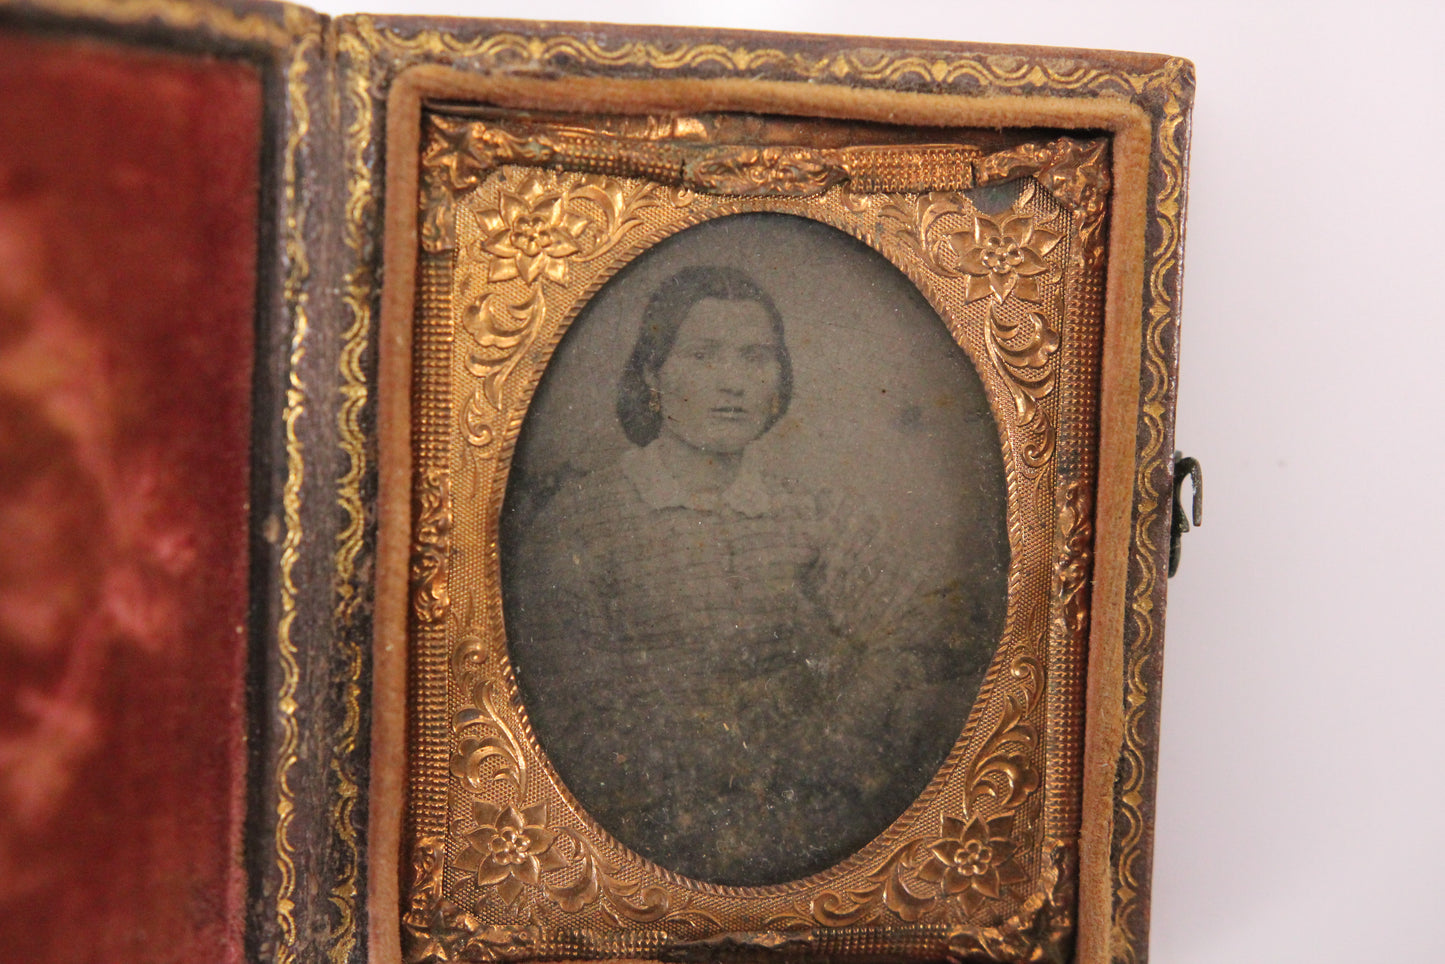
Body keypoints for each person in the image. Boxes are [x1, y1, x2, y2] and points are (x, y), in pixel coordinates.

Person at [504, 266, 991, 885]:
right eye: (704, 356)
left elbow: (927, 623)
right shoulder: (582, 523)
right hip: (641, 846)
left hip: (817, 834)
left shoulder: (810, 513)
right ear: (653, 374)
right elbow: (583, 726)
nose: (732, 383)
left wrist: (842, 728)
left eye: (756, 357)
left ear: (778, 381)